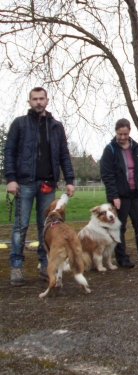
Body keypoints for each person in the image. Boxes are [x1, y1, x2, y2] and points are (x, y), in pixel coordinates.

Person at [4, 87, 76, 286]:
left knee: (48, 228)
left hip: (48, 184)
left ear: (47, 100)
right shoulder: (19, 124)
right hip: (24, 183)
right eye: (34, 99)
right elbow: (9, 152)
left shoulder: (56, 127)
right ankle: (17, 266)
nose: (38, 102)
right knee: (20, 226)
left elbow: (64, 155)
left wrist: (70, 179)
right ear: (29, 101)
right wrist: (10, 178)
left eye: (41, 98)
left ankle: (47, 266)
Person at [100, 118, 138, 268]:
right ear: (116, 133)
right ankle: (122, 258)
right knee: (119, 227)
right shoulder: (110, 150)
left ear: (129, 132)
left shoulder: (137, 148)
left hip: (136, 194)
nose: (122, 137)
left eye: (125, 134)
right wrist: (114, 196)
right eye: (120, 134)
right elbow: (107, 176)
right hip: (120, 196)